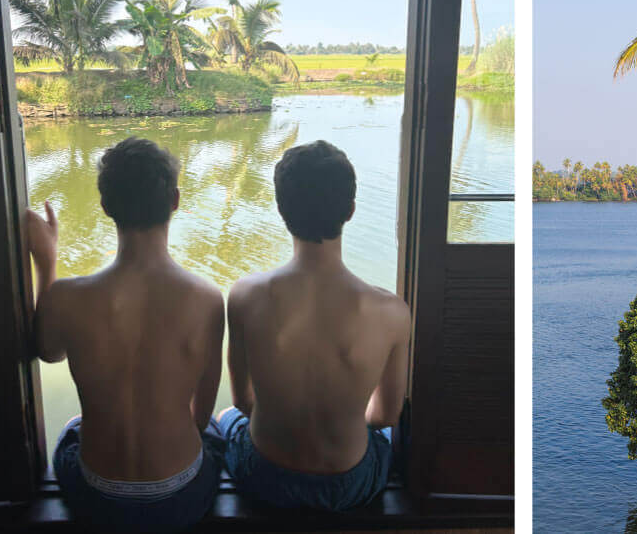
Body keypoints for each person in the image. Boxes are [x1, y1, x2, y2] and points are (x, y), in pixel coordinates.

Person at [26, 137, 225, 533]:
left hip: (97, 494)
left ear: (105, 208)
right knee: (222, 428)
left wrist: (47, 262)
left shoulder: (68, 296)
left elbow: (47, 351)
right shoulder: (206, 299)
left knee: (72, 430)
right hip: (181, 494)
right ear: (175, 200)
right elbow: (200, 418)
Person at [220, 140, 409, 510]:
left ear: (281, 209)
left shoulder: (245, 295)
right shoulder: (391, 311)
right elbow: (386, 415)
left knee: (225, 419)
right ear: (350, 210)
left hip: (265, 476)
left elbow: (243, 401)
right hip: (349, 482)